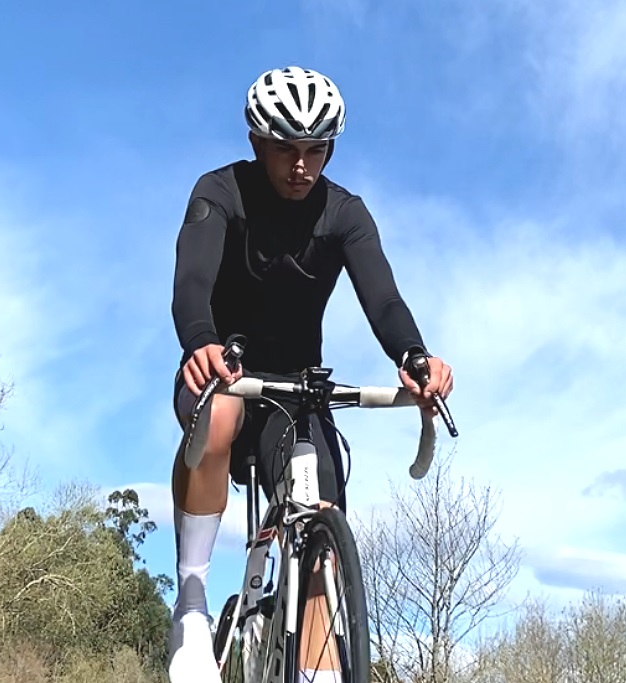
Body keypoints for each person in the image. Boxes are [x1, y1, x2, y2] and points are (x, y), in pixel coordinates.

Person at [167, 65, 454, 683]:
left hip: (299, 389)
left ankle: (318, 669)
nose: (302, 166)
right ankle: (191, 603)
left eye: (316, 150)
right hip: (224, 371)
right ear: (257, 143)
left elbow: (384, 299)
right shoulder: (219, 192)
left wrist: (414, 356)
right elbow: (190, 283)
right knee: (220, 414)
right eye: (286, 150)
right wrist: (200, 343)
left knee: (322, 514)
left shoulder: (345, 213)